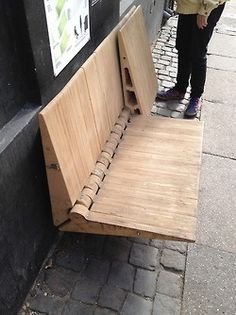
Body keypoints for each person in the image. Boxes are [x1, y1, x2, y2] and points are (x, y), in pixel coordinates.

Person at [156, 0, 229, 118]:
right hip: (188, 5)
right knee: (183, 46)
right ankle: (180, 89)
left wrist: (205, 10)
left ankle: (196, 96)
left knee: (198, 52)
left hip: (207, 6)